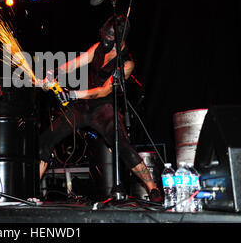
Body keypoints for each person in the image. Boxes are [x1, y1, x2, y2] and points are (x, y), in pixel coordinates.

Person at [38, 15, 163, 203]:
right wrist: (53, 73)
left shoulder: (127, 63)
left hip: (103, 110)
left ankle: (153, 188)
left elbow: (104, 91)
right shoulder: (98, 47)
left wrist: (73, 95)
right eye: (104, 36)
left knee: (123, 146)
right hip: (82, 107)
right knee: (47, 138)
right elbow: (74, 63)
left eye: (110, 38)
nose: (105, 40)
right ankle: (31, 189)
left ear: (120, 38)